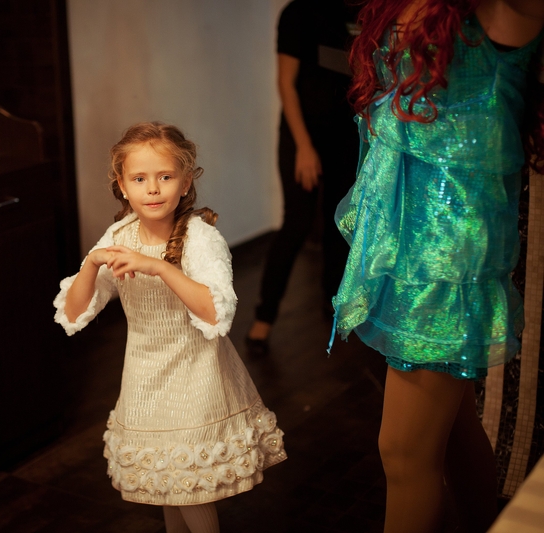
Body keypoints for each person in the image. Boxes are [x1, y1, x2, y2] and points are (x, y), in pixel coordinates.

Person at [331, 1, 544, 531]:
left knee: (403, 452)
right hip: (408, 243)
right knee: (453, 431)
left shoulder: (500, 7)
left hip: (450, 257)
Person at [54, 122, 286, 533]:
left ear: (186, 181)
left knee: (188, 490)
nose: (153, 189)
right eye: (139, 179)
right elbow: (74, 313)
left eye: (165, 177)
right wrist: (90, 264)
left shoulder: (201, 238)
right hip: (144, 377)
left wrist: (159, 267)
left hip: (196, 374)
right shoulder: (119, 235)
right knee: (167, 483)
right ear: (122, 186)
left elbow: (215, 314)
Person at [246, 0, 361, 355]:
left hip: (346, 137)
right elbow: (286, 83)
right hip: (303, 138)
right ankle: (264, 317)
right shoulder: (298, 13)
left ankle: (332, 302)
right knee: (296, 224)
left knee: (339, 224)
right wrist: (305, 147)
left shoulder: (357, 13)